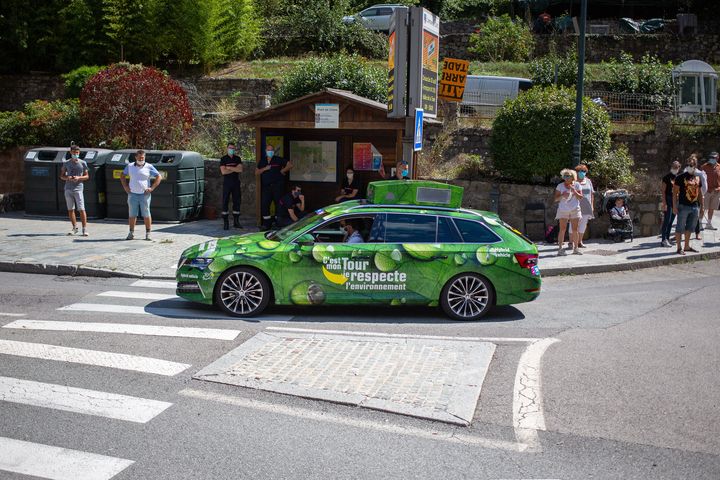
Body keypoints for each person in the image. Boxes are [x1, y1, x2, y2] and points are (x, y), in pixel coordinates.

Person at [120, 149, 161, 241]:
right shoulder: (130, 166)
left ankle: (148, 233)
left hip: (144, 194)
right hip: (132, 194)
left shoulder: (149, 166)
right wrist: (125, 187)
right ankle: (131, 233)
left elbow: (159, 176)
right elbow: (122, 175)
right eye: (139, 157)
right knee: (132, 214)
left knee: (146, 214)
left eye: (143, 157)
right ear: (135, 157)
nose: (141, 159)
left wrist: (152, 188)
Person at [257, 144, 292, 230]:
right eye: (269, 150)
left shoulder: (278, 159)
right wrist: (265, 168)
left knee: (278, 205)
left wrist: (282, 170)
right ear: (266, 151)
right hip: (266, 187)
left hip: (277, 187)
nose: (270, 152)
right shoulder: (262, 161)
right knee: (265, 205)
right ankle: (266, 224)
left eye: (272, 150)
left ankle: (278, 223)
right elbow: (256, 172)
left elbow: (290, 165)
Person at [673, 156, 703, 255]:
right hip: (683, 206)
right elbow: (675, 193)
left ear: (695, 166)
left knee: (690, 227)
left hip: (695, 206)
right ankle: (679, 248)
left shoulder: (698, 178)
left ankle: (686, 246)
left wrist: (702, 207)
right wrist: (674, 206)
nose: (690, 166)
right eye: (689, 164)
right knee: (680, 227)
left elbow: (699, 193)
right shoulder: (680, 177)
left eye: (692, 165)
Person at [60, 145, 89, 236]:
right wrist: (67, 178)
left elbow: (87, 176)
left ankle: (84, 229)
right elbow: (62, 176)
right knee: (70, 209)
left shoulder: (83, 163)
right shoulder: (66, 163)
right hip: (68, 188)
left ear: (79, 153)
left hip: (78, 188)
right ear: (70, 152)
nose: (75, 154)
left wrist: (79, 177)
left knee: (81, 209)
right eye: (74, 152)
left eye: (77, 153)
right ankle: (74, 227)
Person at [553, 168, 584, 256]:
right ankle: (560, 249)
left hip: (575, 209)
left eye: (568, 176)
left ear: (572, 177)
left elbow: (581, 197)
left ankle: (576, 249)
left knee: (575, 230)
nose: (566, 178)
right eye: (564, 176)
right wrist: (562, 195)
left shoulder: (577, 185)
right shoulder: (560, 186)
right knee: (562, 229)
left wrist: (574, 191)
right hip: (563, 210)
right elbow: (555, 199)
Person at [569, 164, 594, 248]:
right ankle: (571, 242)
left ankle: (580, 242)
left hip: (587, 206)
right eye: (579, 171)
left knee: (583, 225)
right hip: (575, 206)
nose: (581, 173)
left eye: (583, 171)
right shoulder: (573, 182)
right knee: (573, 224)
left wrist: (592, 205)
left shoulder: (588, 181)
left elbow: (591, 194)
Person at [219, 142, 243, 230]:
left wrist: (229, 168)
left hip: (236, 183)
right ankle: (226, 222)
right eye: (230, 148)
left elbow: (240, 169)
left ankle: (236, 222)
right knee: (225, 201)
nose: (231, 150)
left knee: (237, 201)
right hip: (227, 183)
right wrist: (234, 169)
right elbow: (223, 172)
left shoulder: (237, 158)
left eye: (233, 148)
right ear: (227, 148)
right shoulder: (223, 159)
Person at [660, 161, 681, 247]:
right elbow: (663, 191)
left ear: (679, 168)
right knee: (667, 220)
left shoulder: (678, 178)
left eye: (677, 167)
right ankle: (663, 239)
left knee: (671, 220)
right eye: (674, 167)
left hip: (675, 200)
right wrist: (664, 202)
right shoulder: (666, 177)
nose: (675, 168)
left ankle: (667, 238)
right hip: (668, 199)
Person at [701, 151, 720, 230]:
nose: (712, 159)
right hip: (706, 191)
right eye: (711, 157)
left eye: (714, 158)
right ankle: (699, 223)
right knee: (703, 207)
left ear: (717, 158)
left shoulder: (719, 166)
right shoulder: (704, 166)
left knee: (712, 208)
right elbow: (700, 178)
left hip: (716, 191)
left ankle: (709, 224)